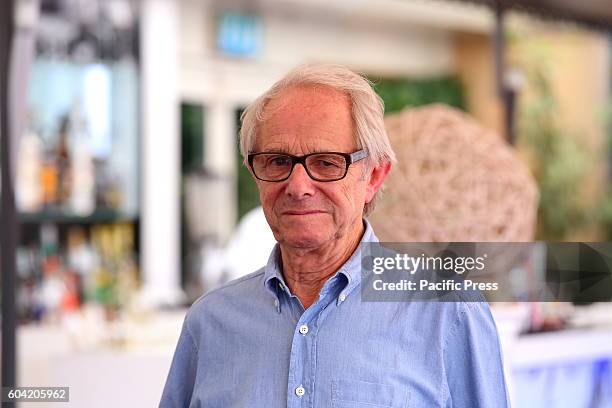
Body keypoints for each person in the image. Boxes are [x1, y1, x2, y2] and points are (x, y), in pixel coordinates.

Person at [159, 63, 509, 407]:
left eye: (326, 163)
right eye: (278, 162)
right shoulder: (210, 323)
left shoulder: (448, 312)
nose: (297, 187)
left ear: (374, 176)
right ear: (255, 172)